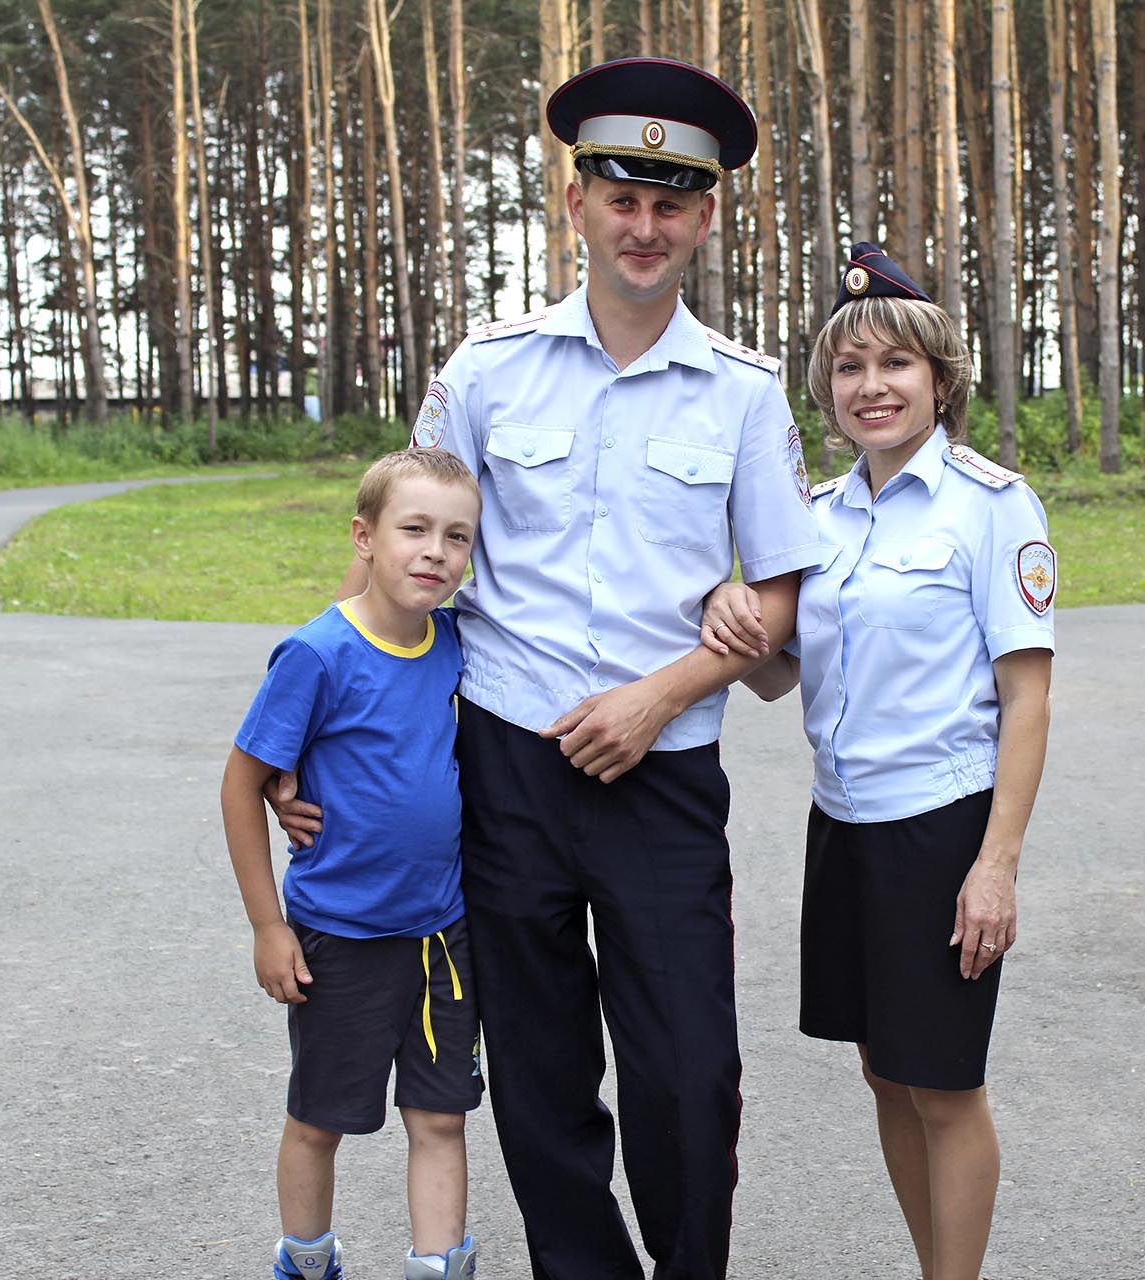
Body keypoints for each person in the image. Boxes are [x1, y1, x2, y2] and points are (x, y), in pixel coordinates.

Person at [274, 57, 824, 1280]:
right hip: (504, 763)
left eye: (672, 202)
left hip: (665, 770)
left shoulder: (742, 394)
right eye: (622, 197)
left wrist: (663, 692)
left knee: (690, 1067)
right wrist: (313, 747)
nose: (645, 226)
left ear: (706, 218)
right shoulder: (485, 370)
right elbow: (404, 559)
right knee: (536, 1065)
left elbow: (784, 586)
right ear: (575, 204)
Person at [700, 243, 1055, 1280]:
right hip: (843, 824)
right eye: (849, 369)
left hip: (941, 826)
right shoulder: (817, 516)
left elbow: (1027, 697)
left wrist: (996, 865)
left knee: (944, 1083)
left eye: (895, 365)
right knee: (885, 1073)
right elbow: (781, 676)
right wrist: (727, 619)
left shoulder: (991, 507)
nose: (872, 386)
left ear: (939, 379)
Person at [223, 449, 486, 1280]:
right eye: (413, 529)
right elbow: (240, 787)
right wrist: (270, 926)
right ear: (363, 537)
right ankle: (306, 1261)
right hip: (341, 936)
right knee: (319, 1120)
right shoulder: (316, 655)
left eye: (456, 537)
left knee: (441, 1118)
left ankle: (437, 1265)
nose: (434, 552)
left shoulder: (452, 643)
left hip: (443, 935)